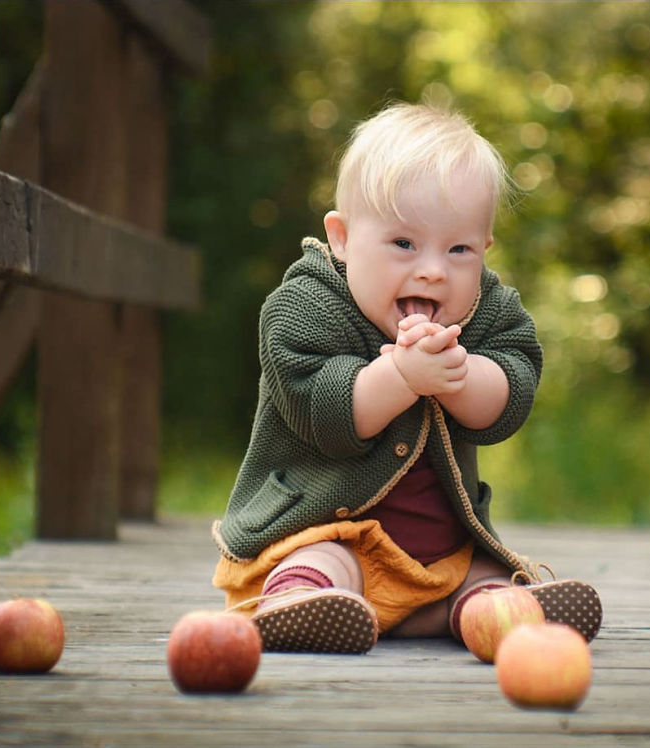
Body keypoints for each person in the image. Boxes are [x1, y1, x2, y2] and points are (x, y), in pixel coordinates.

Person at [211, 101, 602, 653]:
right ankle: (297, 605)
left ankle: (490, 612)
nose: (433, 270)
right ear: (342, 239)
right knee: (324, 560)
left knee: (480, 575)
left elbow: (514, 385)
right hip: (323, 531)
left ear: (484, 250)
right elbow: (325, 412)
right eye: (403, 244)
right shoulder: (304, 306)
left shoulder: (486, 309)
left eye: (459, 249)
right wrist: (401, 375)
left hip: (434, 560)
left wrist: (461, 378)